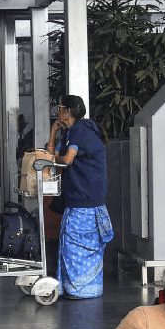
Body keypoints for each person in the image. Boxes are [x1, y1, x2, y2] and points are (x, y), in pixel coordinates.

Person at [46, 95, 113, 299]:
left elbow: (65, 159)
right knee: (73, 244)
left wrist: (49, 158)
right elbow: (52, 153)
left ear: (68, 111)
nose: (57, 112)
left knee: (76, 245)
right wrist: (53, 131)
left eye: (59, 108)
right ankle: (78, 289)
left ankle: (81, 290)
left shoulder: (81, 130)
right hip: (80, 197)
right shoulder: (71, 132)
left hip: (85, 200)